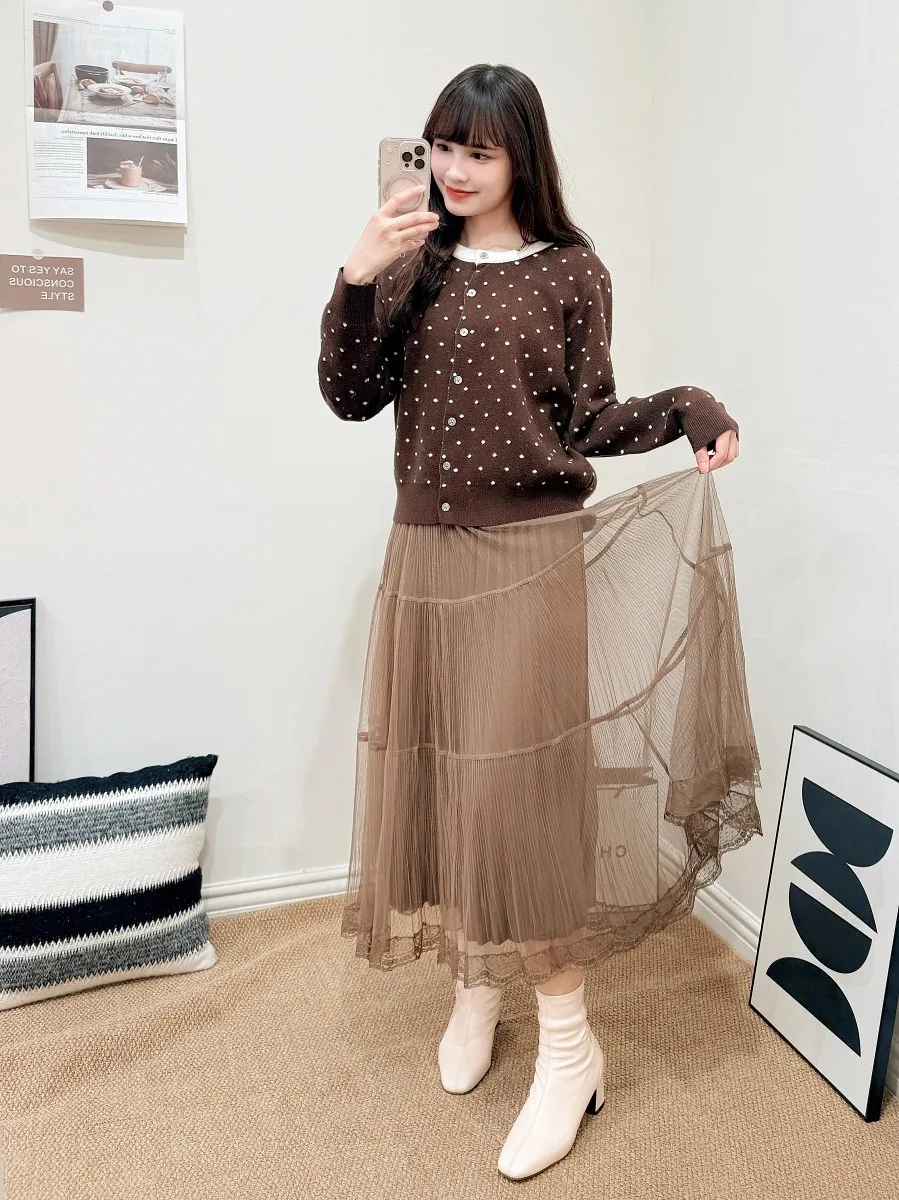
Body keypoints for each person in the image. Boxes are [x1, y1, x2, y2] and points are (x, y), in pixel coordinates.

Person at [317, 63, 762, 1181]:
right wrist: (356, 276)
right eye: (441, 148)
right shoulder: (409, 263)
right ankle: (476, 984)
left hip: (527, 557)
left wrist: (686, 406)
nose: (455, 170)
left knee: (515, 800)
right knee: (446, 783)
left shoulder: (572, 270)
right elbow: (349, 395)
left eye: (478, 151)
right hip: (421, 553)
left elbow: (588, 417)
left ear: (522, 156)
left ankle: (568, 1046)